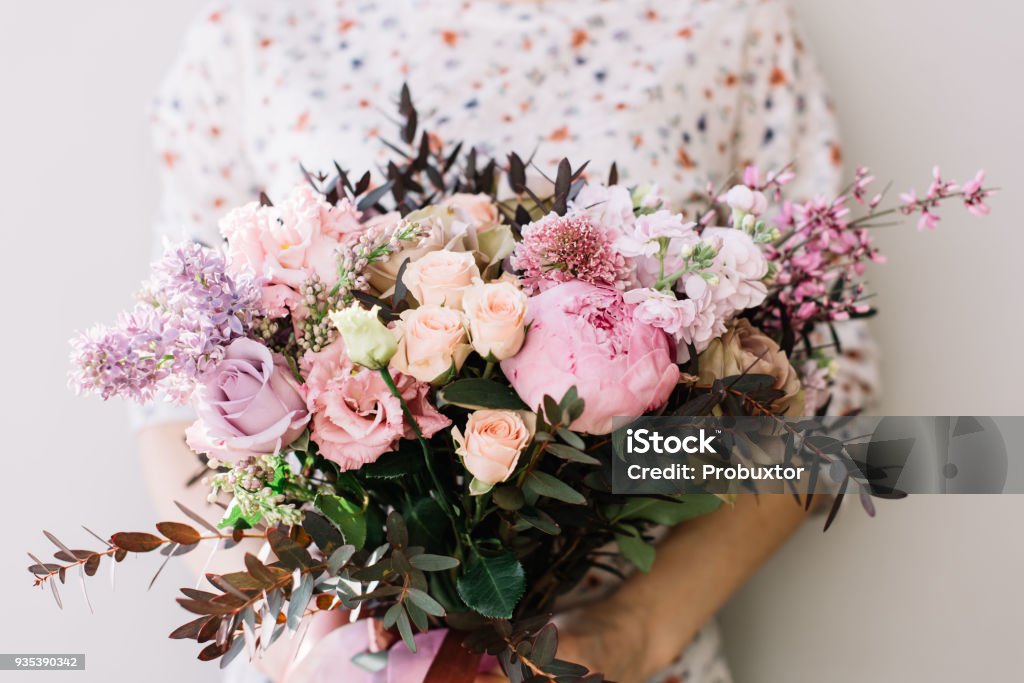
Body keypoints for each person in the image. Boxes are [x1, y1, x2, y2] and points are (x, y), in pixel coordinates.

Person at [140, 1, 879, 681]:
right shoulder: (253, 25)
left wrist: (628, 632)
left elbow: (823, 397)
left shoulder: (727, 20)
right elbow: (179, 386)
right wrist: (291, 635)